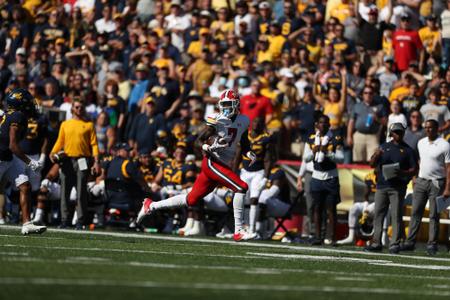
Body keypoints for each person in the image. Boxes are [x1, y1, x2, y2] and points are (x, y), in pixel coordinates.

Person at [137, 89, 257, 241]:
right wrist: (207, 147)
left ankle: (151, 205)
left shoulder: (244, 120)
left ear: (236, 104)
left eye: (228, 104)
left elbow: (244, 141)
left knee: (191, 199)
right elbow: (198, 141)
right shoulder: (217, 119)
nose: (225, 108)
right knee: (241, 187)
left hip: (222, 165)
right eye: (223, 104)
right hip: (213, 162)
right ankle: (239, 230)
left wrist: (248, 152)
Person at [365, 123, 417, 253]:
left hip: (397, 187)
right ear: (391, 133)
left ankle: (394, 243)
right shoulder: (383, 147)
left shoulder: (408, 150)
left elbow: (414, 169)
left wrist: (402, 173)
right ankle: (376, 242)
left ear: (403, 133)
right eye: (395, 132)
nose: (398, 134)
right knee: (378, 214)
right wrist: (376, 155)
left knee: (396, 215)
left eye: (400, 132)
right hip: (382, 186)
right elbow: (371, 164)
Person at [0, 88, 46, 234]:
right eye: (27, 102)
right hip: (2, 157)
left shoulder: (9, 114)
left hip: (7, 157)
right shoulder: (18, 116)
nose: (31, 105)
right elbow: (13, 145)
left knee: (25, 185)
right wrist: (30, 162)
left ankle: (27, 223)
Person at [401, 119, 450, 255]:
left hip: (437, 182)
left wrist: (447, 188)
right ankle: (410, 242)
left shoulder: (444, 145)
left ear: (437, 128)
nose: (427, 130)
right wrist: (415, 177)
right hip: (421, 181)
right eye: (426, 127)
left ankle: (432, 244)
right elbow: (419, 161)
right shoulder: (421, 142)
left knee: (434, 214)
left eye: (430, 128)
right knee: (416, 211)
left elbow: (448, 168)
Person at [50, 99, 100, 229]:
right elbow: (60, 141)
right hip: (66, 160)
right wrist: (53, 152)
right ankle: (64, 220)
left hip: (83, 160)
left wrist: (96, 162)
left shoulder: (89, 125)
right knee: (65, 191)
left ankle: (80, 220)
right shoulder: (65, 124)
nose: (79, 110)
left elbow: (94, 144)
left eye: (81, 107)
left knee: (81, 192)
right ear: (72, 108)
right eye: (77, 107)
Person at [303, 114, 344, 245]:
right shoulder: (310, 139)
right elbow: (306, 158)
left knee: (331, 209)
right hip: (316, 176)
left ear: (329, 125)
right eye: (321, 123)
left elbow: (341, 158)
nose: (323, 125)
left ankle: (332, 237)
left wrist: (327, 153)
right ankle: (317, 236)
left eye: (326, 123)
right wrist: (313, 152)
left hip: (331, 177)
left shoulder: (336, 139)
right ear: (317, 125)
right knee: (317, 208)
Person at [236, 117, 274, 235]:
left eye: (260, 123)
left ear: (263, 125)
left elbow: (268, 160)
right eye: (255, 122)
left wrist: (266, 178)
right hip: (245, 171)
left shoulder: (266, 138)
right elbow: (237, 156)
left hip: (258, 171)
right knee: (242, 199)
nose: (257, 124)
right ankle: (244, 227)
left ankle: (252, 229)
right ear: (251, 124)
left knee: (254, 198)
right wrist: (232, 174)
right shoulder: (244, 136)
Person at [337, 170, 390, 246]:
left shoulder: (386, 176)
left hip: (384, 203)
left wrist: (369, 208)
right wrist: (366, 206)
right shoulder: (370, 176)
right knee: (354, 208)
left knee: (384, 210)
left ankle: (383, 238)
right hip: (370, 203)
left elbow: (387, 196)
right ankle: (351, 237)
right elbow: (366, 194)